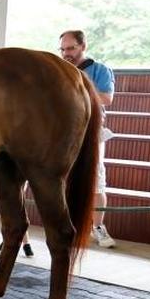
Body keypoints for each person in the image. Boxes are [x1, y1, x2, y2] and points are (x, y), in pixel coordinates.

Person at [59, 29, 116, 248]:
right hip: (61, 132)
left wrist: (74, 93)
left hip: (90, 131)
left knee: (96, 181)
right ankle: (67, 227)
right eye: (63, 49)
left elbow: (106, 98)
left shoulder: (100, 69)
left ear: (83, 47)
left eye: (71, 48)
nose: (67, 54)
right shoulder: (59, 69)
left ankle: (98, 227)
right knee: (62, 180)